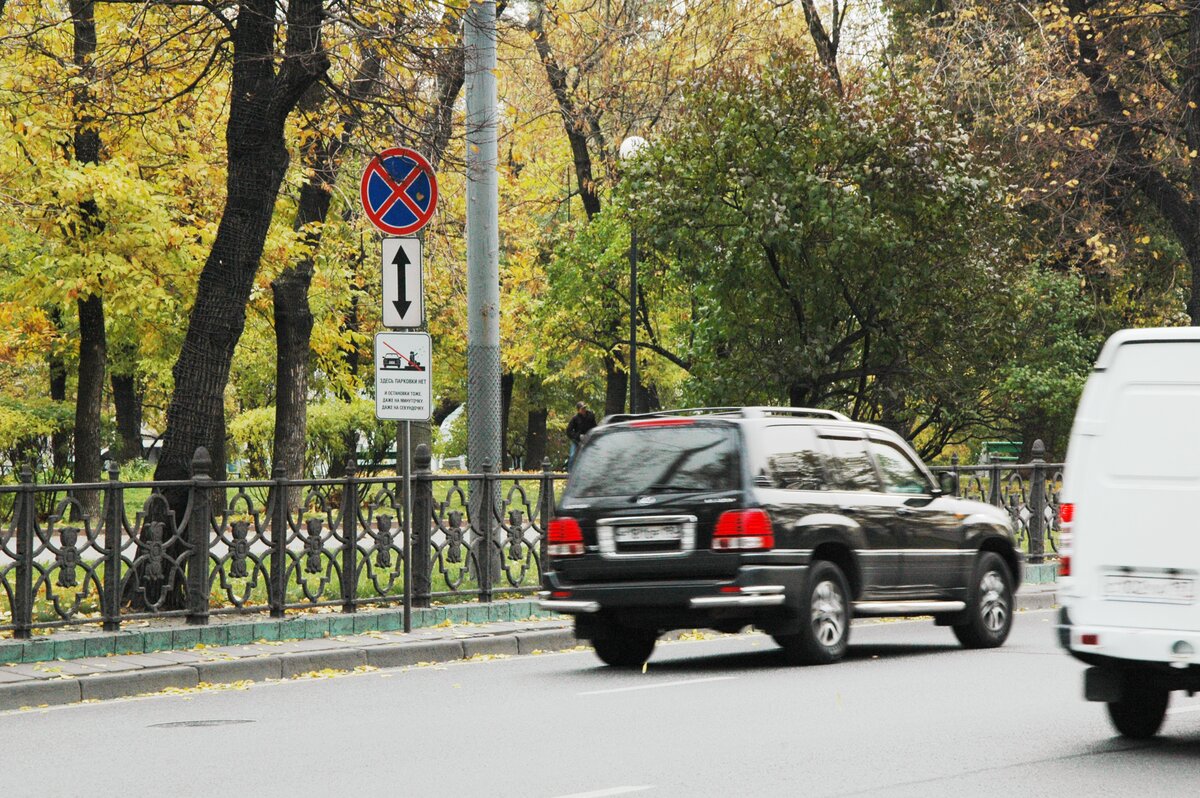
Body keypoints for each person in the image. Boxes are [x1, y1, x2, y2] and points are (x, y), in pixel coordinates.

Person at [566, 401, 597, 470]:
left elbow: (594, 427)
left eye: (584, 408)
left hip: (588, 441)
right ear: (578, 410)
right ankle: (569, 474)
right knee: (572, 455)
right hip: (577, 441)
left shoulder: (591, 416)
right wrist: (578, 436)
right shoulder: (575, 418)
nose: (584, 410)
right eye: (582, 409)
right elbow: (568, 431)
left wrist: (591, 435)